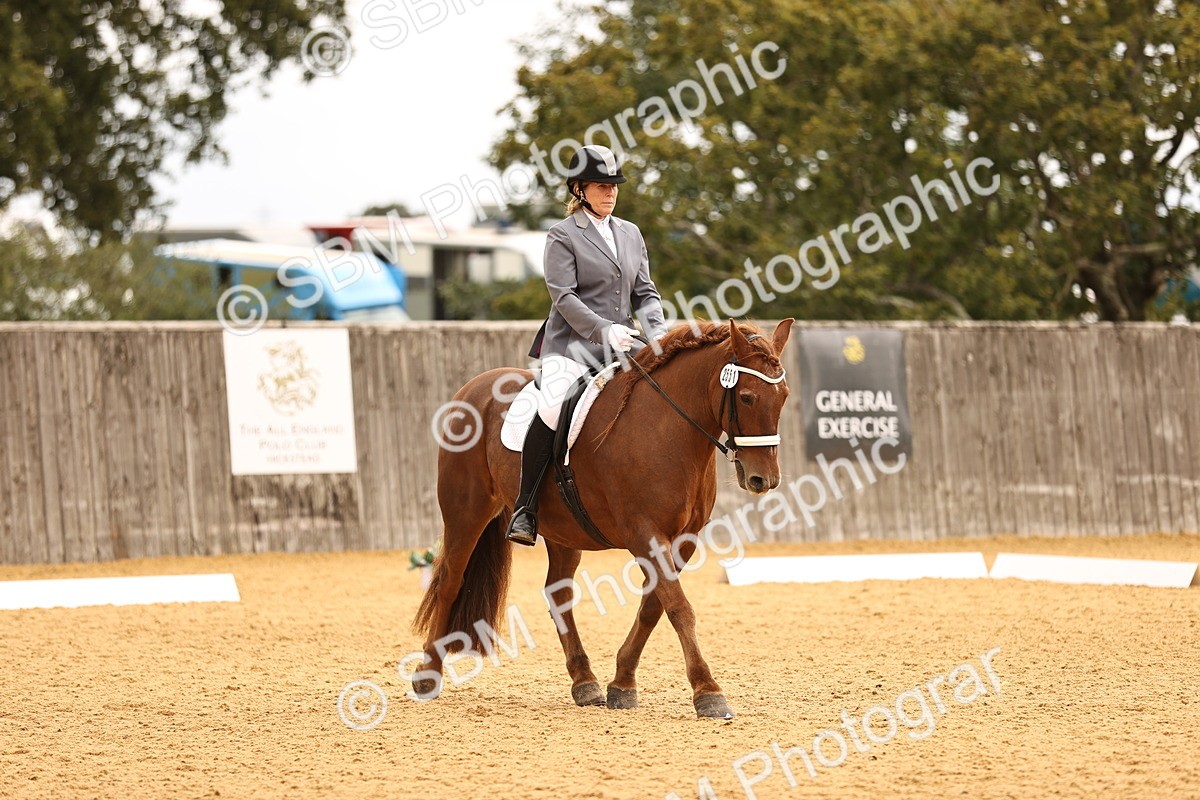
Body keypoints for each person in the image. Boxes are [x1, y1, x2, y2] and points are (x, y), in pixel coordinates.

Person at [506, 144, 669, 546]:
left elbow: (645, 293)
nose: (610, 192)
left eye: (614, 185)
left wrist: (658, 334)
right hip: (573, 346)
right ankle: (526, 508)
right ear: (579, 189)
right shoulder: (563, 234)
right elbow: (564, 296)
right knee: (552, 404)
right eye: (601, 185)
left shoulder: (630, 233)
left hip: (625, 343)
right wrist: (603, 330)